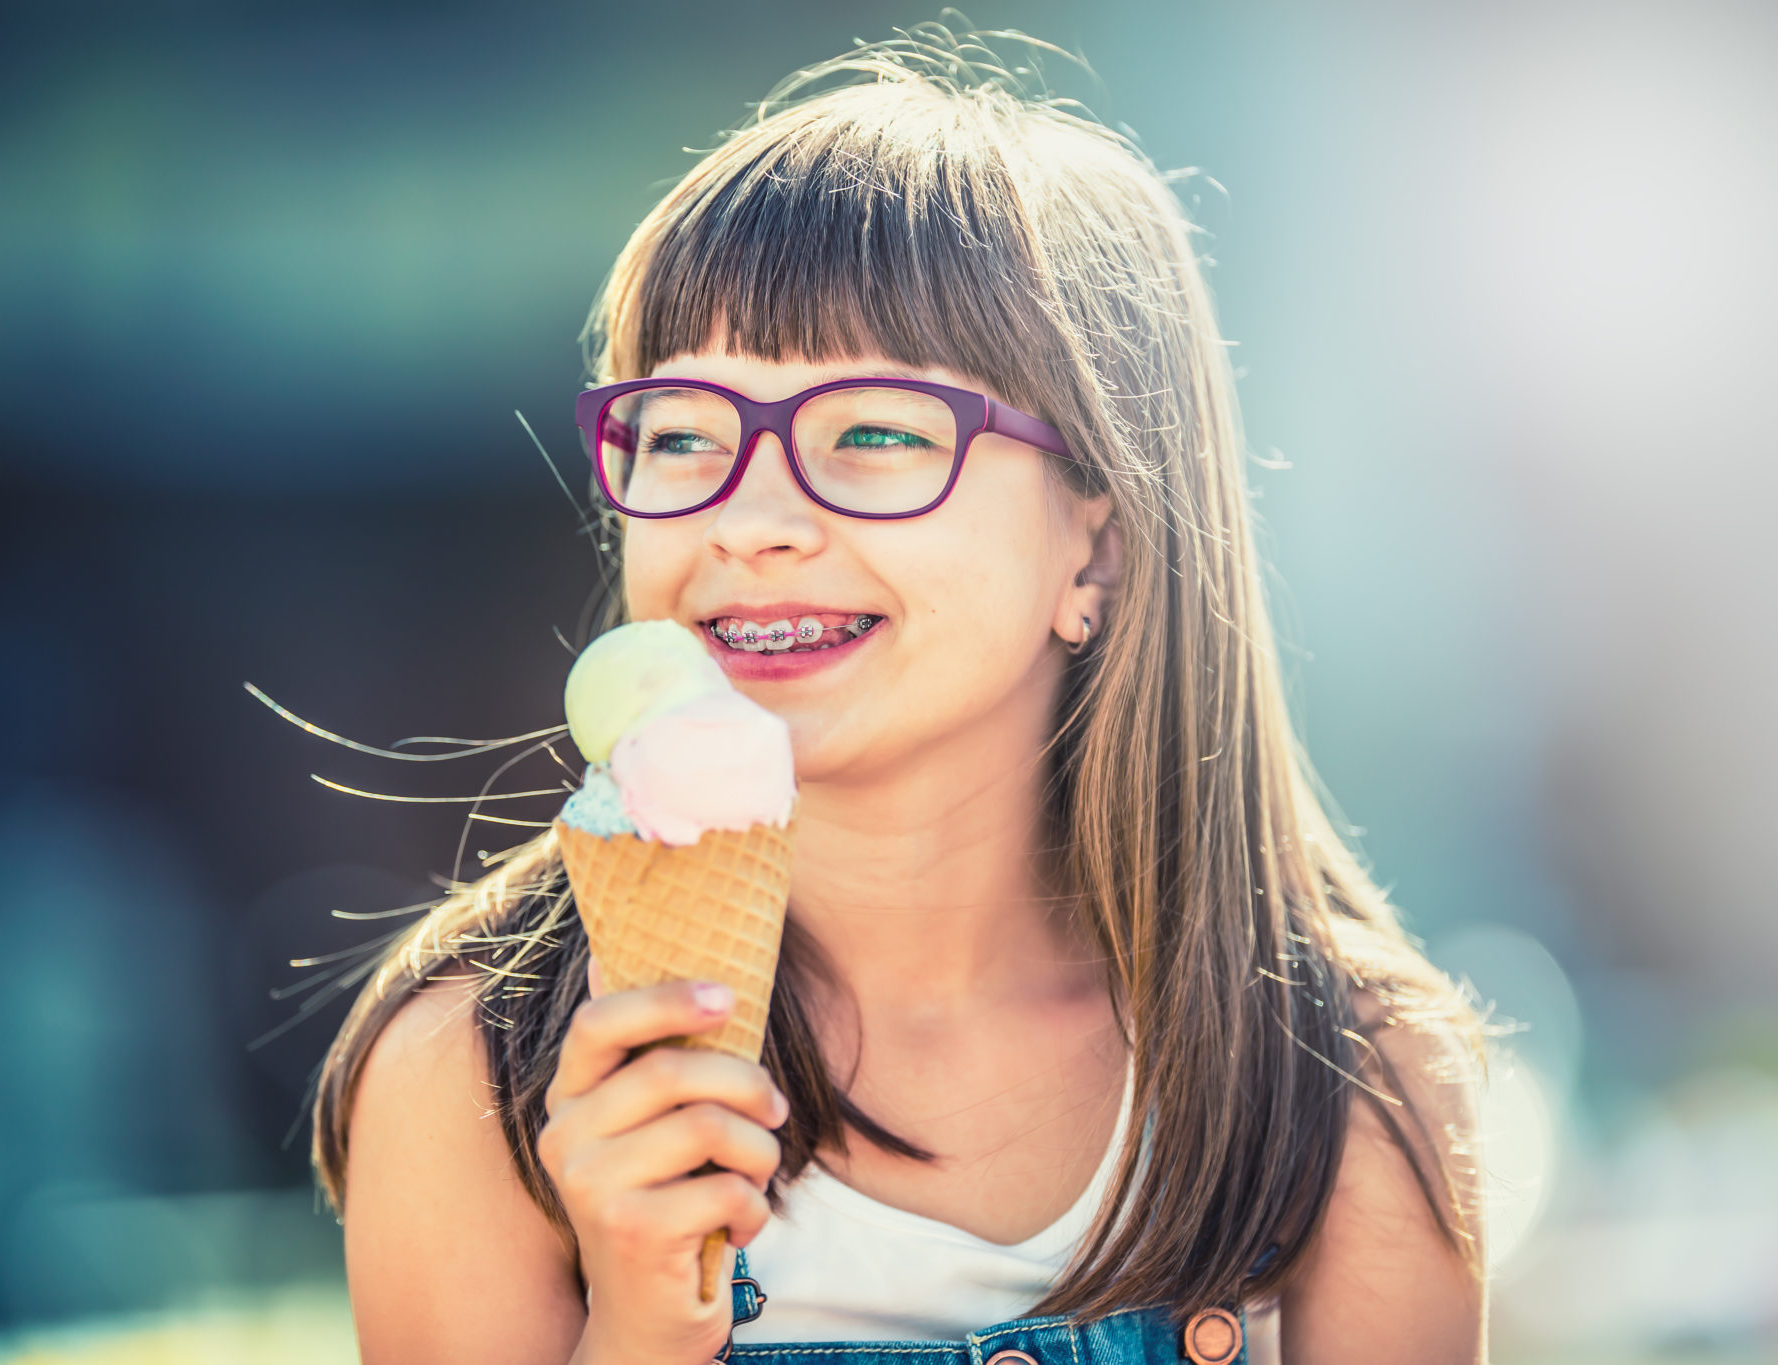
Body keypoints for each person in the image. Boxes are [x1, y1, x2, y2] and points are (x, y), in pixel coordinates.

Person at [308, 23, 1486, 1365]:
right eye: (683, 432)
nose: (747, 519)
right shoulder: (472, 1071)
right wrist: (639, 1316)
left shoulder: (1348, 1086)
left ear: (1096, 545)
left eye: (875, 433)